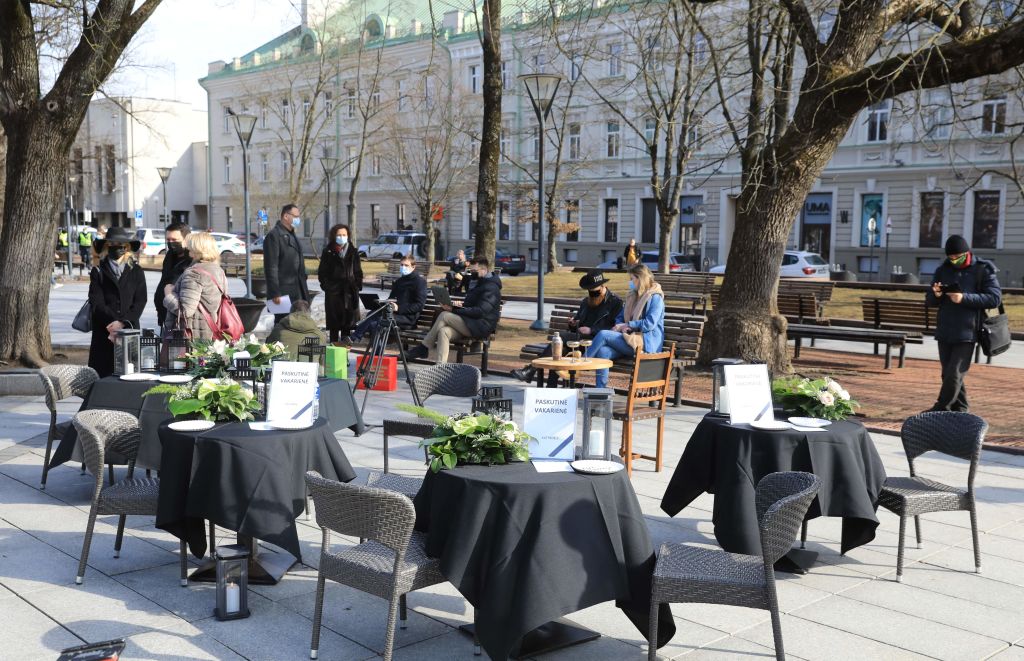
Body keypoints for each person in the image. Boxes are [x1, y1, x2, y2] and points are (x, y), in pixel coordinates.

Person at [925, 235, 1001, 412]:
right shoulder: (943, 269)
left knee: (954, 374)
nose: (954, 261)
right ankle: (961, 409)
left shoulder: (983, 269)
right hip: (945, 329)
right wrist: (935, 295)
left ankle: (940, 408)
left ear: (967, 253)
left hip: (968, 331)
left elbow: (994, 298)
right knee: (948, 374)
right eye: (951, 258)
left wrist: (964, 298)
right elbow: (929, 300)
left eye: (957, 257)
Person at [511, 269, 623, 386]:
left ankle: (530, 370)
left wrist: (592, 330)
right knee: (558, 350)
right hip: (579, 340)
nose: (592, 294)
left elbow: (614, 328)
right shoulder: (586, 302)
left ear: (603, 286)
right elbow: (578, 321)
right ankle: (550, 387)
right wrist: (573, 323)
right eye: (589, 291)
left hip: (596, 342)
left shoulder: (615, 303)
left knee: (560, 338)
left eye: (594, 291)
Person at [406, 257, 501, 363]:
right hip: (471, 323)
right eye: (470, 270)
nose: (471, 273)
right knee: (444, 332)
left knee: (445, 315)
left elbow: (480, 312)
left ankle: (424, 347)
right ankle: (440, 369)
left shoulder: (491, 288)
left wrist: (454, 310)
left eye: (474, 271)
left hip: (481, 326)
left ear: (484, 269)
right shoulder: (479, 282)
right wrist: (460, 305)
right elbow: (473, 305)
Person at [585, 263, 665, 388]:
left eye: (632, 278)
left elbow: (649, 324)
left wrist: (628, 325)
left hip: (645, 344)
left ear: (640, 278)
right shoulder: (633, 296)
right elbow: (620, 317)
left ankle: (580, 366)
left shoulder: (655, 298)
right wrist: (619, 325)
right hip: (629, 339)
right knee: (603, 352)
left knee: (603, 334)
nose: (630, 282)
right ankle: (600, 392)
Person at [86, 227, 147, 378]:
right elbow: (97, 302)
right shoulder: (98, 271)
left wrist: (122, 322)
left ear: (127, 248)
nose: (117, 247)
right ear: (107, 246)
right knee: (103, 375)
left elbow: (140, 301)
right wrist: (113, 323)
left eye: (121, 244)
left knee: (129, 374)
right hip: (104, 331)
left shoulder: (136, 270)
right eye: (112, 243)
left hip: (129, 330)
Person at [162, 232, 228, 340]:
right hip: (209, 332)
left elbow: (185, 311)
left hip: (189, 337)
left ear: (198, 249)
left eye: (190, 245)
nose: (187, 247)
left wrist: (168, 293)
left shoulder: (194, 274)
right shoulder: (218, 271)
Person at [350, 253, 427, 343]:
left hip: (407, 318)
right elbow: (391, 298)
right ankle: (355, 338)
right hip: (393, 314)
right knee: (371, 314)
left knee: (378, 321)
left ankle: (355, 339)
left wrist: (399, 308)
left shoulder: (419, 282)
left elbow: (419, 305)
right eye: (401, 265)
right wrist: (382, 303)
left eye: (406, 265)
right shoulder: (399, 281)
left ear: (413, 267)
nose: (403, 267)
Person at [264, 203, 310, 323]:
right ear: (285, 216)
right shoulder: (274, 236)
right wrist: (275, 293)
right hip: (282, 292)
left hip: (297, 290)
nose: (298, 219)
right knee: (282, 324)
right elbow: (271, 267)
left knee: (297, 324)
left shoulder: (292, 235)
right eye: (295, 216)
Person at [317, 223, 363, 343]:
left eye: (344, 235)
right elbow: (322, 273)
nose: (342, 237)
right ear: (334, 236)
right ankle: (333, 353)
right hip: (334, 294)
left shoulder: (353, 252)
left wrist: (357, 285)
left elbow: (358, 271)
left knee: (347, 328)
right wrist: (327, 286)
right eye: (339, 235)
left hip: (349, 294)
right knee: (334, 327)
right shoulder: (328, 252)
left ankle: (344, 356)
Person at [154, 222, 193, 329]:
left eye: (175, 240)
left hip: (180, 317)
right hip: (165, 315)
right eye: (168, 240)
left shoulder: (192, 260)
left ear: (186, 239)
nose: (171, 243)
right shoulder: (170, 256)